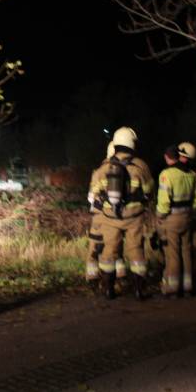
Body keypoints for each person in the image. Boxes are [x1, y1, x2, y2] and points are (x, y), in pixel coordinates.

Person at [90, 127, 154, 299]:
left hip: (110, 218)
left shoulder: (103, 169)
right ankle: (139, 290)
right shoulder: (141, 166)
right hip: (134, 217)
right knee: (136, 251)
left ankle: (109, 289)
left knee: (109, 252)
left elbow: (94, 194)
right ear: (132, 143)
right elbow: (149, 190)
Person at [156, 142, 196, 297]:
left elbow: (163, 202)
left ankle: (173, 288)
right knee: (187, 252)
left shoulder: (167, 175)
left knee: (173, 254)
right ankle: (188, 286)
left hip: (172, 219)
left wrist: (160, 216)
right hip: (188, 218)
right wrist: (193, 215)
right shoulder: (192, 175)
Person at [85, 141, 115, 294]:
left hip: (98, 217)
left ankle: (92, 279)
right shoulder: (124, 171)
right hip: (115, 219)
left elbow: (91, 198)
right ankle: (117, 279)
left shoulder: (99, 172)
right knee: (113, 249)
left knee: (94, 249)